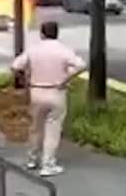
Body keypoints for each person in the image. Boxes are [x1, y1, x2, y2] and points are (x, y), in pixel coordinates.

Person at [11, 21, 86, 177]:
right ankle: (48, 164)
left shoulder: (34, 50)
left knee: (36, 128)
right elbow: (81, 65)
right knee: (53, 129)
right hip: (56, 92)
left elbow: (15, 66)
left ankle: (32, 159)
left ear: (42, 33)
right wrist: (65, 80)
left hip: (36, 91)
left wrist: (25, 80)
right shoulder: (63, 50)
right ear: (57, 33)